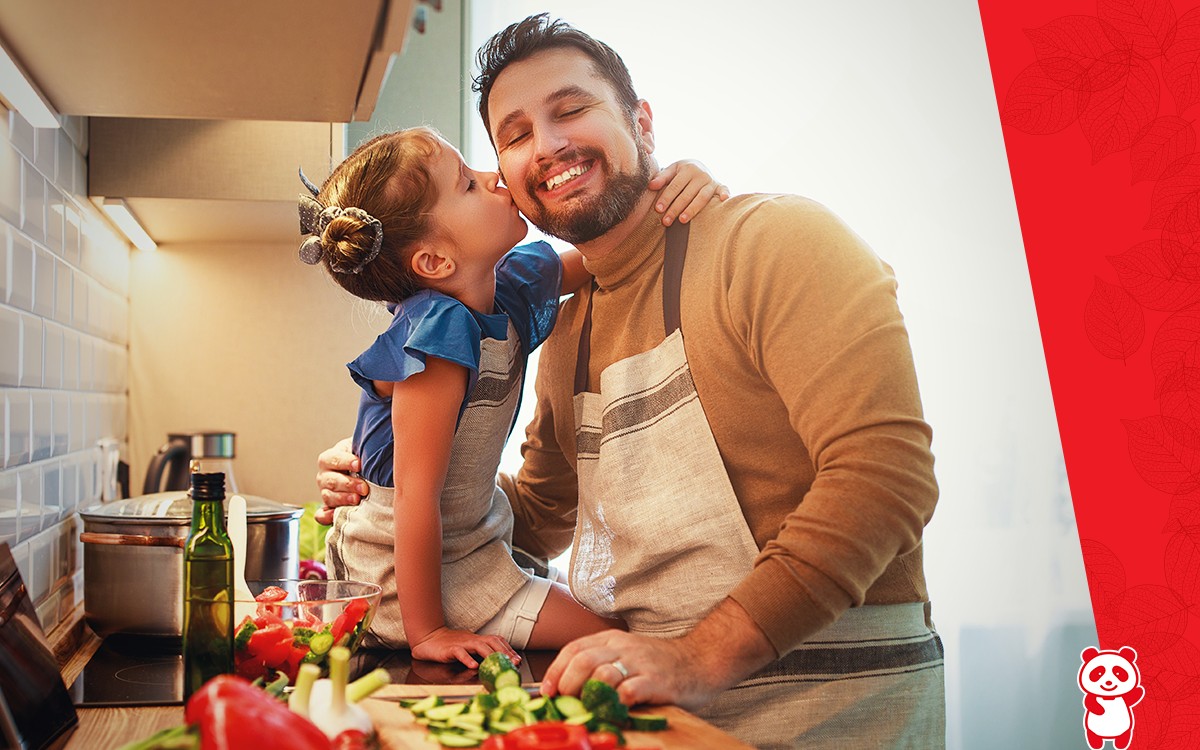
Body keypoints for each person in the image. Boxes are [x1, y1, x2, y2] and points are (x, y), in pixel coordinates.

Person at [317, 15, 943, 748]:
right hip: (654, 706)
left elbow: (885, 479)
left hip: (832, 701)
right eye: (514, 135)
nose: (546, 145)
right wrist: (385, 490)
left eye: (571, 109)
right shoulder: (567, 321)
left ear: (641, 122)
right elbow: (544, 510)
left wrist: (698, 656)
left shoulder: (775, 241)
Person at [299, 125, 726, 668]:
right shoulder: (436, 335)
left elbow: (613, 254)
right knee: (623, 641)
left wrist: (682, 192)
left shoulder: (508, 289)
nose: (494, 177)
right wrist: (429, 631)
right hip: (406, 582)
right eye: (469, 185)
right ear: (435, 262)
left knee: (621, 633)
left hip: (471, 548)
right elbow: (414, 496)